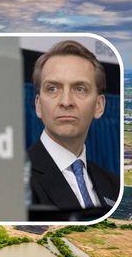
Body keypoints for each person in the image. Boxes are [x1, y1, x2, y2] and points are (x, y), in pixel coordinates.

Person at [28, 40, 119, 211]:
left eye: (79, 89)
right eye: (52, 89)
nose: (66, 101)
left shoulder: (115, 186)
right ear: (39, 105)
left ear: (99, 106)